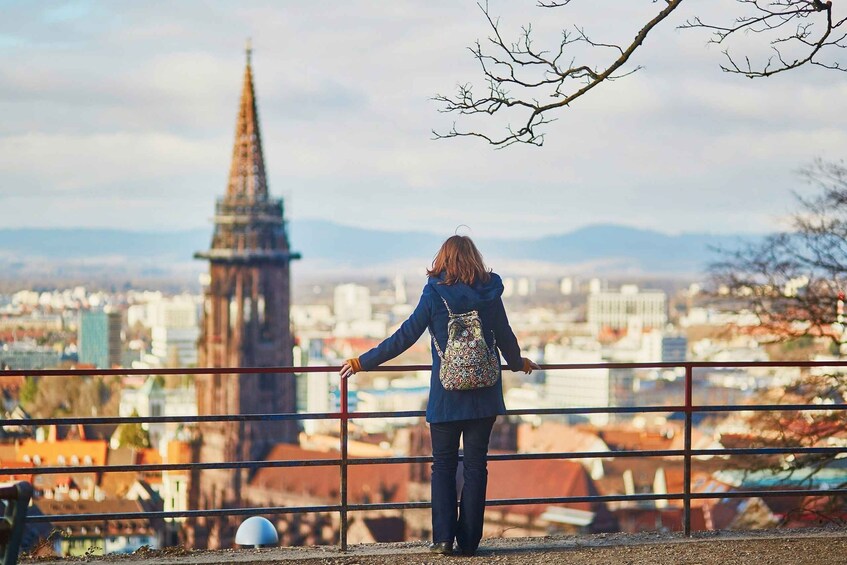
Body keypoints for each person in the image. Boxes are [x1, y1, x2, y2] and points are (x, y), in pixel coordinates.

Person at [339, 235, 538, 556]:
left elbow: (404, 336)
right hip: (485, 397)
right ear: (475, 259)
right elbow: (505, 337)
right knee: (476, 468)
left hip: (447, 398)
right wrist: (518, 363)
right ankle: (470, 541)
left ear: (442, 261)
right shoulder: (490, 293)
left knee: (443, 467)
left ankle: (443, 540)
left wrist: (363, 362)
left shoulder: (434, 294)